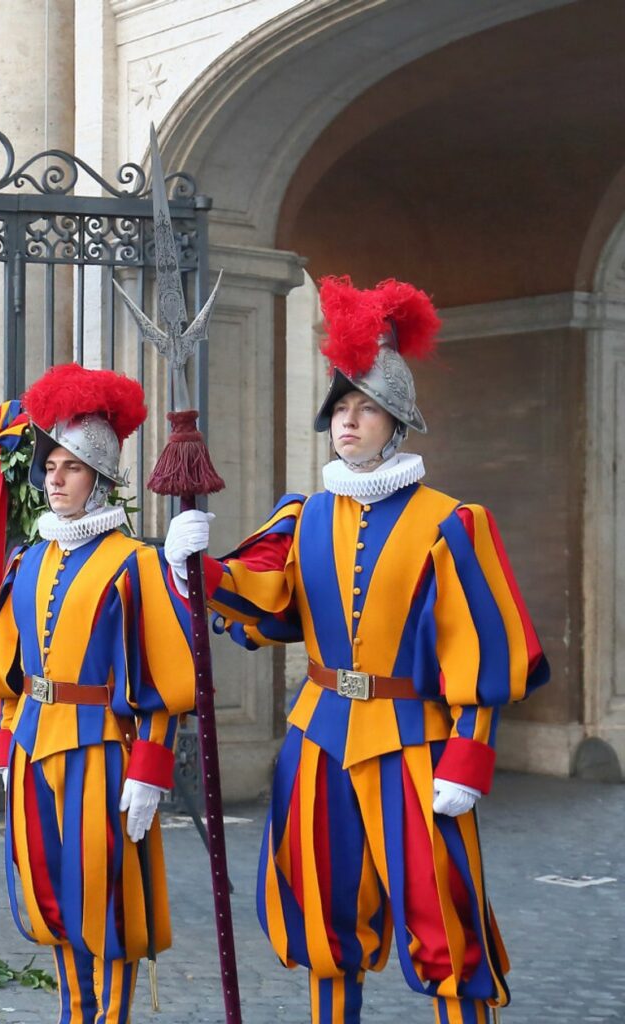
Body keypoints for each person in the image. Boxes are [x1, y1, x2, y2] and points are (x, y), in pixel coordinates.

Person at [163, 276, 548, 1024]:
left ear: (396, 423)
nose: (347, 420)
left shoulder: (452, 524)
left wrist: (469, 756)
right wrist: (196, 569)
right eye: (339, 407)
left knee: (442, 911)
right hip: (317, 739)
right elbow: (260, 599)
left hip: (417, 742)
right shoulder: (301, 516)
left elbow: (482, 651)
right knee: (322, 911)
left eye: (364, 408)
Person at [0, 364, 198, 1023]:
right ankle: (76, 1011)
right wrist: (9, 736)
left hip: (102, 751)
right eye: (51, 465)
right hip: (34, 744)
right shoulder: (28, 559)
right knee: (50, 891)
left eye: (72, 468)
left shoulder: (135, 563)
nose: (55, 477)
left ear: (100, 479)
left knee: (104, 894)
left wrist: (150, 772)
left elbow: (162, 678)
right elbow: (9, 667)